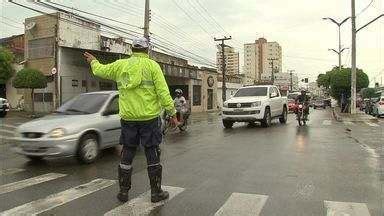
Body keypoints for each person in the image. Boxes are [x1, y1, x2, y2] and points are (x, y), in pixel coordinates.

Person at [84, 37, 179, 203]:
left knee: (127, 152)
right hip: (149, 119)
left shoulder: (121, 65)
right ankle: (155, 192)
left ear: (132, 50)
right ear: (147, 50)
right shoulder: (152, 66)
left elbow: (100, 70)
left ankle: (123, 192)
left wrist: (93, 61)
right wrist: (172, 114)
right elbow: (163, 93)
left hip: (128, 119)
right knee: (152, 152)